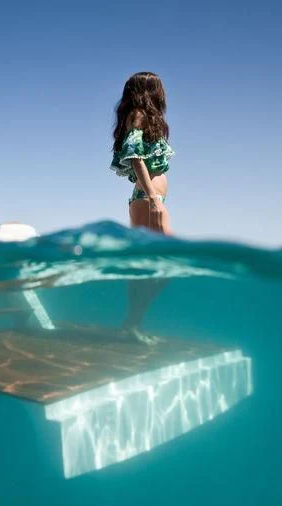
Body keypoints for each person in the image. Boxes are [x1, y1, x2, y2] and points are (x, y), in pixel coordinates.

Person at [110, 72, 175, 343]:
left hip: (148, 199)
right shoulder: (138, 114)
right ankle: (131, 323)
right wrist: (153, 198)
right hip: (148, 199)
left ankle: (132, 324)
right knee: (169, 261)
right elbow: (135, 157)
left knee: (151, 266)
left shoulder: (148, 119)